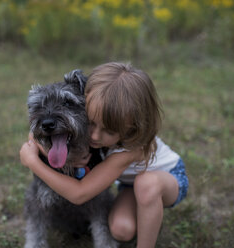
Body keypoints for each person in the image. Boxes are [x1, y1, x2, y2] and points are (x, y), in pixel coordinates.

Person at [20, 62, 188, 248]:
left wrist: (33, 161)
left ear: (132, 127)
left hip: (168, 178)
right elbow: (35, 136)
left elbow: (80, 193)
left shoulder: (131, 150)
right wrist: (40, 146)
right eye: (91, 122)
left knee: (146, 185)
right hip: (129, 184)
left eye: (108, 130)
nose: (94, 136)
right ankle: (144, 209)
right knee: (121, 230)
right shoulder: (98, 133)